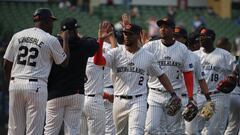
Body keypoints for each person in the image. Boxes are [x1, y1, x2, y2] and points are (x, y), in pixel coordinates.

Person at [94, 23, 178, 135]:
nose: (126, 36)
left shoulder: (148, 56)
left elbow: (161, 75)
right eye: (125, 34)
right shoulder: (116, 52)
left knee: (136, 132)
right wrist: (100, 40)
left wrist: (173, 93)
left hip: (138, 100)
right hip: (118, 100)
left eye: (130, 34)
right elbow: (98, 62)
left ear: (138, 35)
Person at [3, 8, 69, 135]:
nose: (52, 25)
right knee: (34, 131)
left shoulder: (18, 35)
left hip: (15, 83)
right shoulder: (50, 39)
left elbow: (6, 63)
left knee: (14, 129)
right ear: (46, 21)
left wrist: (9, 84)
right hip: (36, 85)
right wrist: (65, 40)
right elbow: (64, 62)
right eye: (51, 21)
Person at [143, 18, 194, 135]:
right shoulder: (150, 46)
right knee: (150, 129)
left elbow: (187, 73)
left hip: (175, 95)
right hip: (155, 94)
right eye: (161, 27)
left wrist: (191, 97)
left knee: (173, 131)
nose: (162, 29)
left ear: (172, 30)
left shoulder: (182, 48)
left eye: (166, 27)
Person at [194, 28, 235, 135]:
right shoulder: (195, 55)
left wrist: (233, 77)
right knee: (193, 130)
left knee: (214, 131)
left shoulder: (224, 55)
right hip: (199, 96)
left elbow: (237, 67)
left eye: (204, 36)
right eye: (200, 36)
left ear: (212, 38)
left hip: (217, 96)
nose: (201, 38)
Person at [174, 26, 213, 135]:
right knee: (172, 131)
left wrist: (208, 99)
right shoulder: (169, 56)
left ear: (184, 39)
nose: (175, 39)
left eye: (178, 37)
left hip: (190, 100)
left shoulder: (194, 57)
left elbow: (201, 79)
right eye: (174, 36)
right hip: (173, 98)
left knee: (191, 132)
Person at [80, 24, 116, 135]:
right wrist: (103, 39)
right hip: (95, 101)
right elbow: (115, 54)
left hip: (80, 101)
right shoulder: (95, 62)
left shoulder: (79, 59)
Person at [224, 56, 240, 135]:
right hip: (235, 93)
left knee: (232, 125)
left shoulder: (231, 60)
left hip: (231, 93)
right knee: (233, 125)